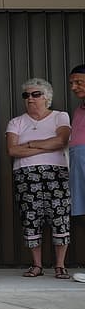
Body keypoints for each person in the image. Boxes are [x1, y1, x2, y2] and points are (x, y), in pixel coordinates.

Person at [5, 78, 72, 279]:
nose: (30, 99)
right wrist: (45, 144)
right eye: (26, 95)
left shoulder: (60, 117)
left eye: (36, 94)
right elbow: (12, 150)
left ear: (47, 97)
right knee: (30, 218)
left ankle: (60, 265)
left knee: (59, 217)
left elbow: (62, 140)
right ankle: (37, 265)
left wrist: (30, 144)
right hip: (26, 175)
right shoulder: (16, 122)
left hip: (57, 174)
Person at [70, 65, 85, 283]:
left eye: (79, 82)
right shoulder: (79, 109)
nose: (73, 87)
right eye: (72, 83)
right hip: (78, 164)